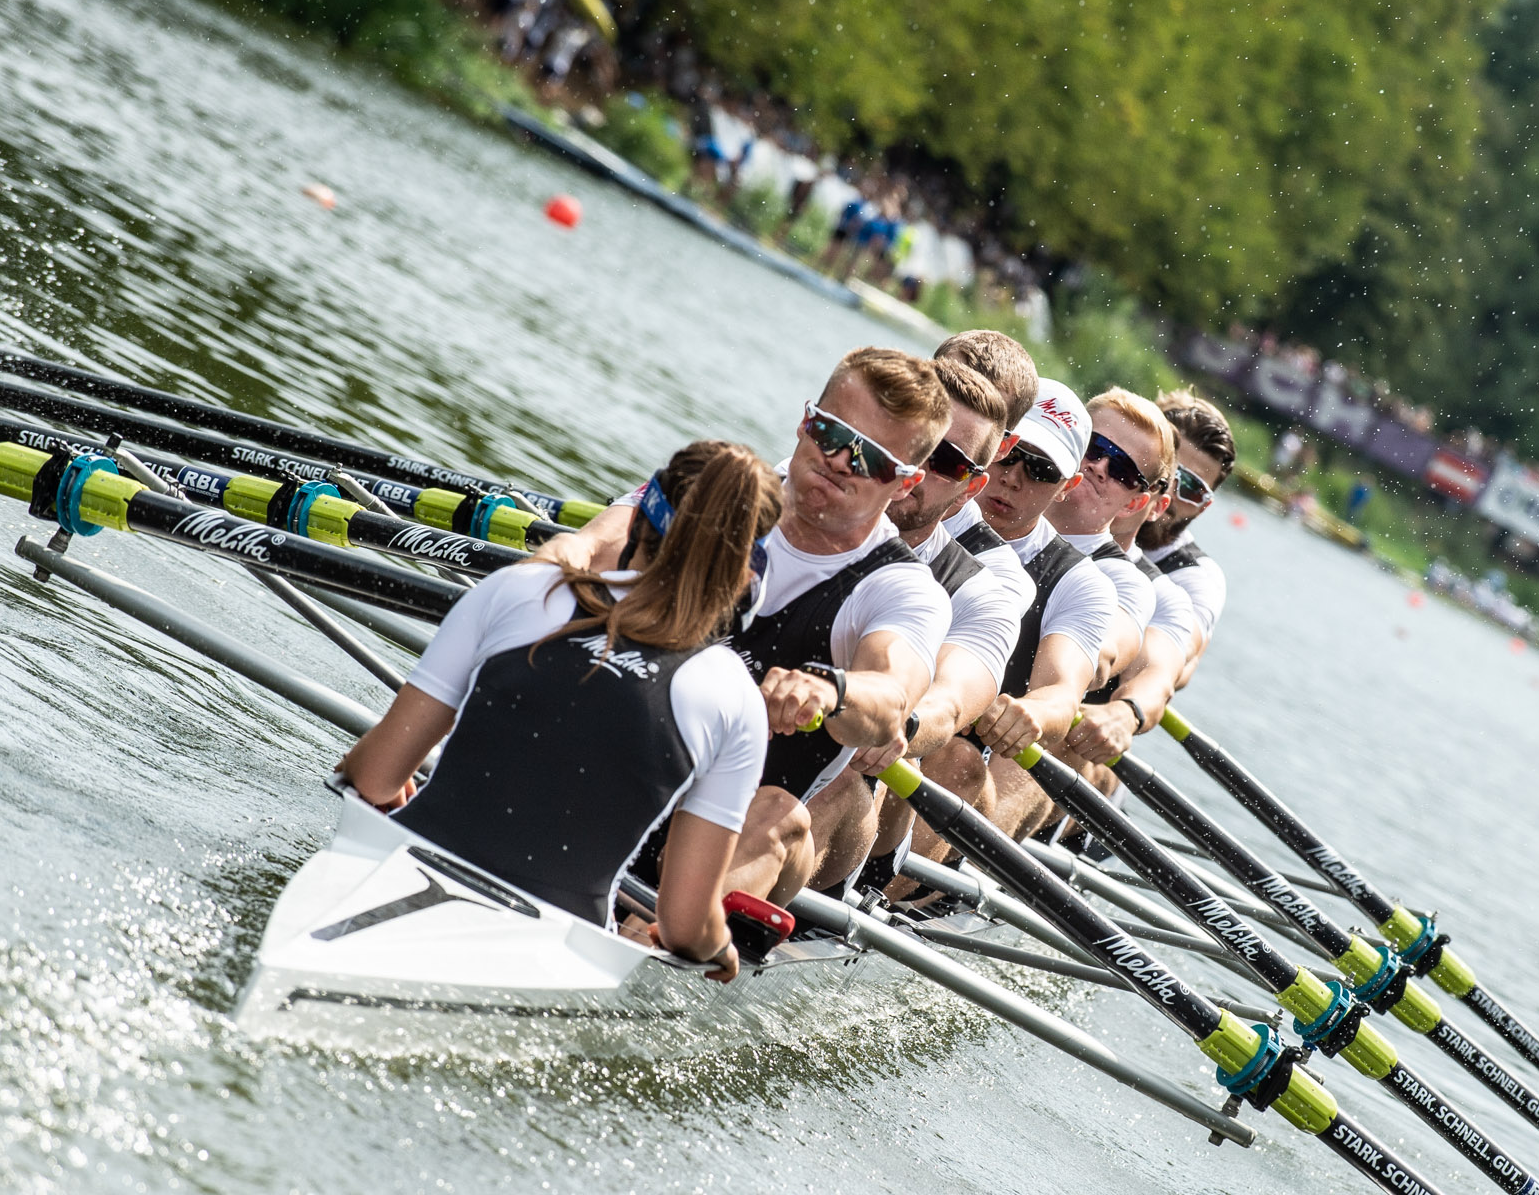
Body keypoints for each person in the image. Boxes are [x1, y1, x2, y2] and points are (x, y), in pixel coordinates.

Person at [337, 444, 779, 981]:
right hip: (558, 940)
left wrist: (378, 780)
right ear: (746, 579)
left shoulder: (524, 590)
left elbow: (374, 775)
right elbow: (684, 922)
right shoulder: (732, 694)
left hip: (398, 862)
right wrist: (717, 946)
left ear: (637, 523)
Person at [722, 347, 953, 904]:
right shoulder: (719, 493)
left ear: (904, 483)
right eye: (828, 432)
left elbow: (892, 696)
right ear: (805, 421)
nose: (838, 460)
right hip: (639, 760)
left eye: (870, 459)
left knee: (777, 812)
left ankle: (663, 931)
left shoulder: (903, 589)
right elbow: (604, 541)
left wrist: (831, 688)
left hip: (743, 823)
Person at [840, 355, 1029, 889]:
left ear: (970, 489)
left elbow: (948, 703)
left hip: (857, 798)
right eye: (913, 441)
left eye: (945, 461)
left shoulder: (982, 591)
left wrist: (902, 723)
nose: (916, 467)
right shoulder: (797, 489)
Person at [922, 379, 1124, 850]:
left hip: (963, 771)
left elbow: (1061, 691)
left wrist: (1031, 713)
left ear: (1067, 486)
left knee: (958, 761)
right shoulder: (910, 500)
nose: (1014, 477)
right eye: (1011, 455)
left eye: (1040, 470)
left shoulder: (1081, 582)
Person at [1048, 389, 1189, 771]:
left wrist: (1126, 713)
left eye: (1123, 470)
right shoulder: (992, 497)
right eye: (1094, 447)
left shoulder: (1143, 589)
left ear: (1137, 502)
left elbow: (1153, 674)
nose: (1099, 467)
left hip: (1049, 739)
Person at [1134, 388, 1235, 688]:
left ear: (1204, 506)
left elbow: (1180, 656)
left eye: (1191, 488)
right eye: (1169, 467)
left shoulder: (1197, 578)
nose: (1168, 492)